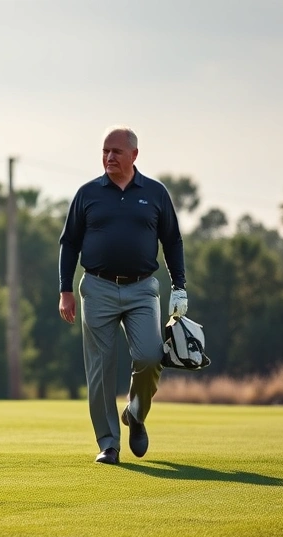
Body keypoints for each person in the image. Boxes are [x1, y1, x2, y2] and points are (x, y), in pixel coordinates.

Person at [57, 126, 188, 465]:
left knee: (149, 356)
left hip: (143, 288)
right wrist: (65, 290)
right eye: (105, 151)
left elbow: (172, 241)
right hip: (97, 287)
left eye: (116, 151)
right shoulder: (88, 194)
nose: (109, 157)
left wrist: (179, 286)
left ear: (134, 155)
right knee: (100, 368)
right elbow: (69, 243)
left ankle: (136, 412)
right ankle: (109, 444)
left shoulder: (156, 193)